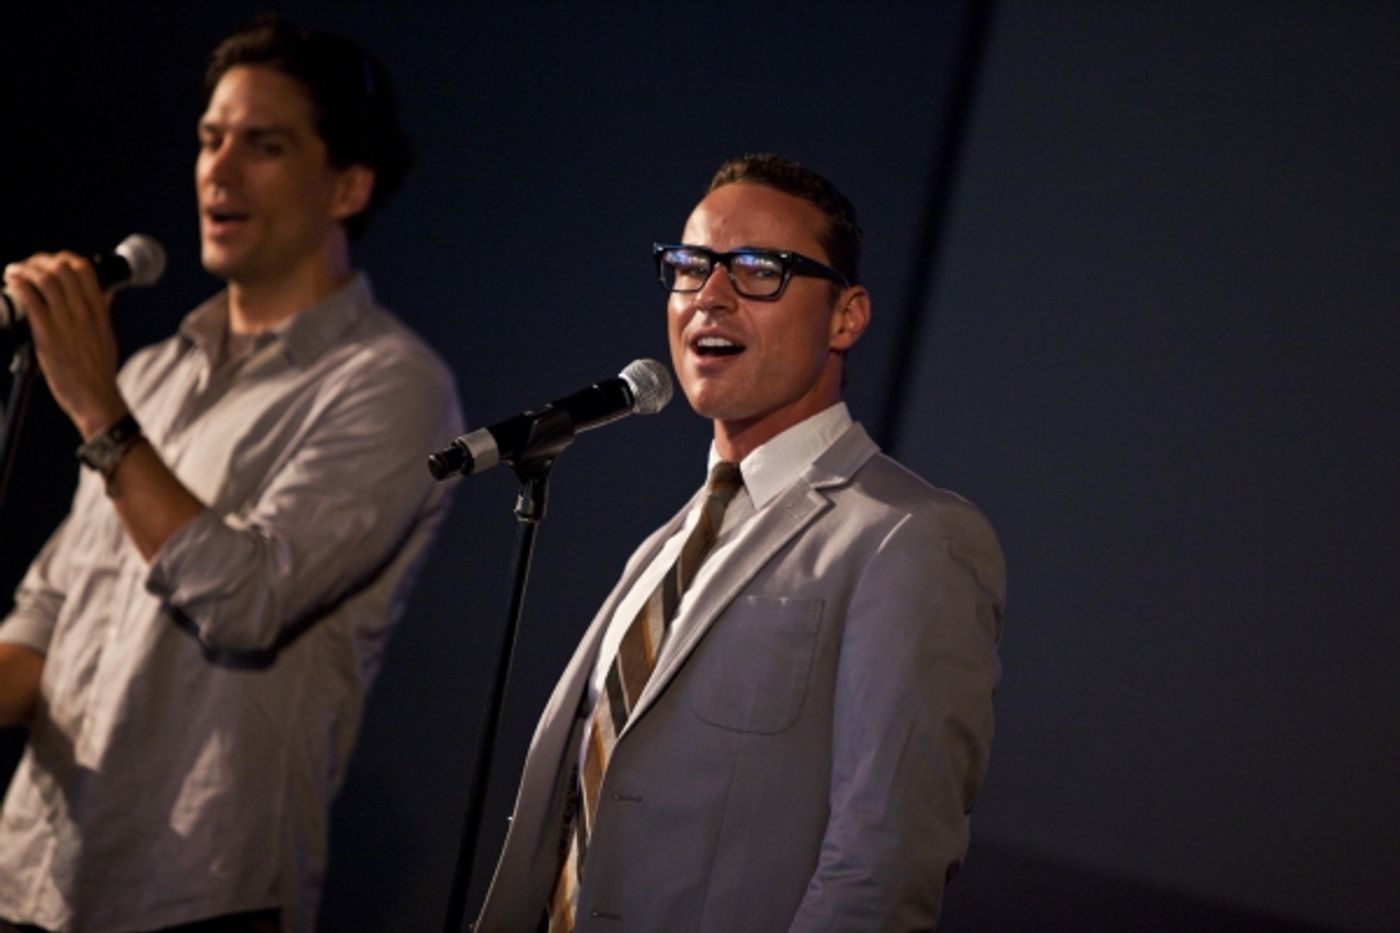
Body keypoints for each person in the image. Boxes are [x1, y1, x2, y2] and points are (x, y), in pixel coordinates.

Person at [0, 15, 462, 933]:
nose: (219, 168)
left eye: (265, 145)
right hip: (35, 875)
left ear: (349, 183)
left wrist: (98, 413)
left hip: (197, 896)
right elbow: (46, 618)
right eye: (211, 139)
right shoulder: (155, 373)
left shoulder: (391, 385)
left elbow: (249, 597)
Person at [473, 153, 1005, 932]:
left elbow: (881, 869)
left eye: (759, 269)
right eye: (691, 267)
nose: (710, 297)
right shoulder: (667, 545)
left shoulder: (908, 537)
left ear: (846, 316)